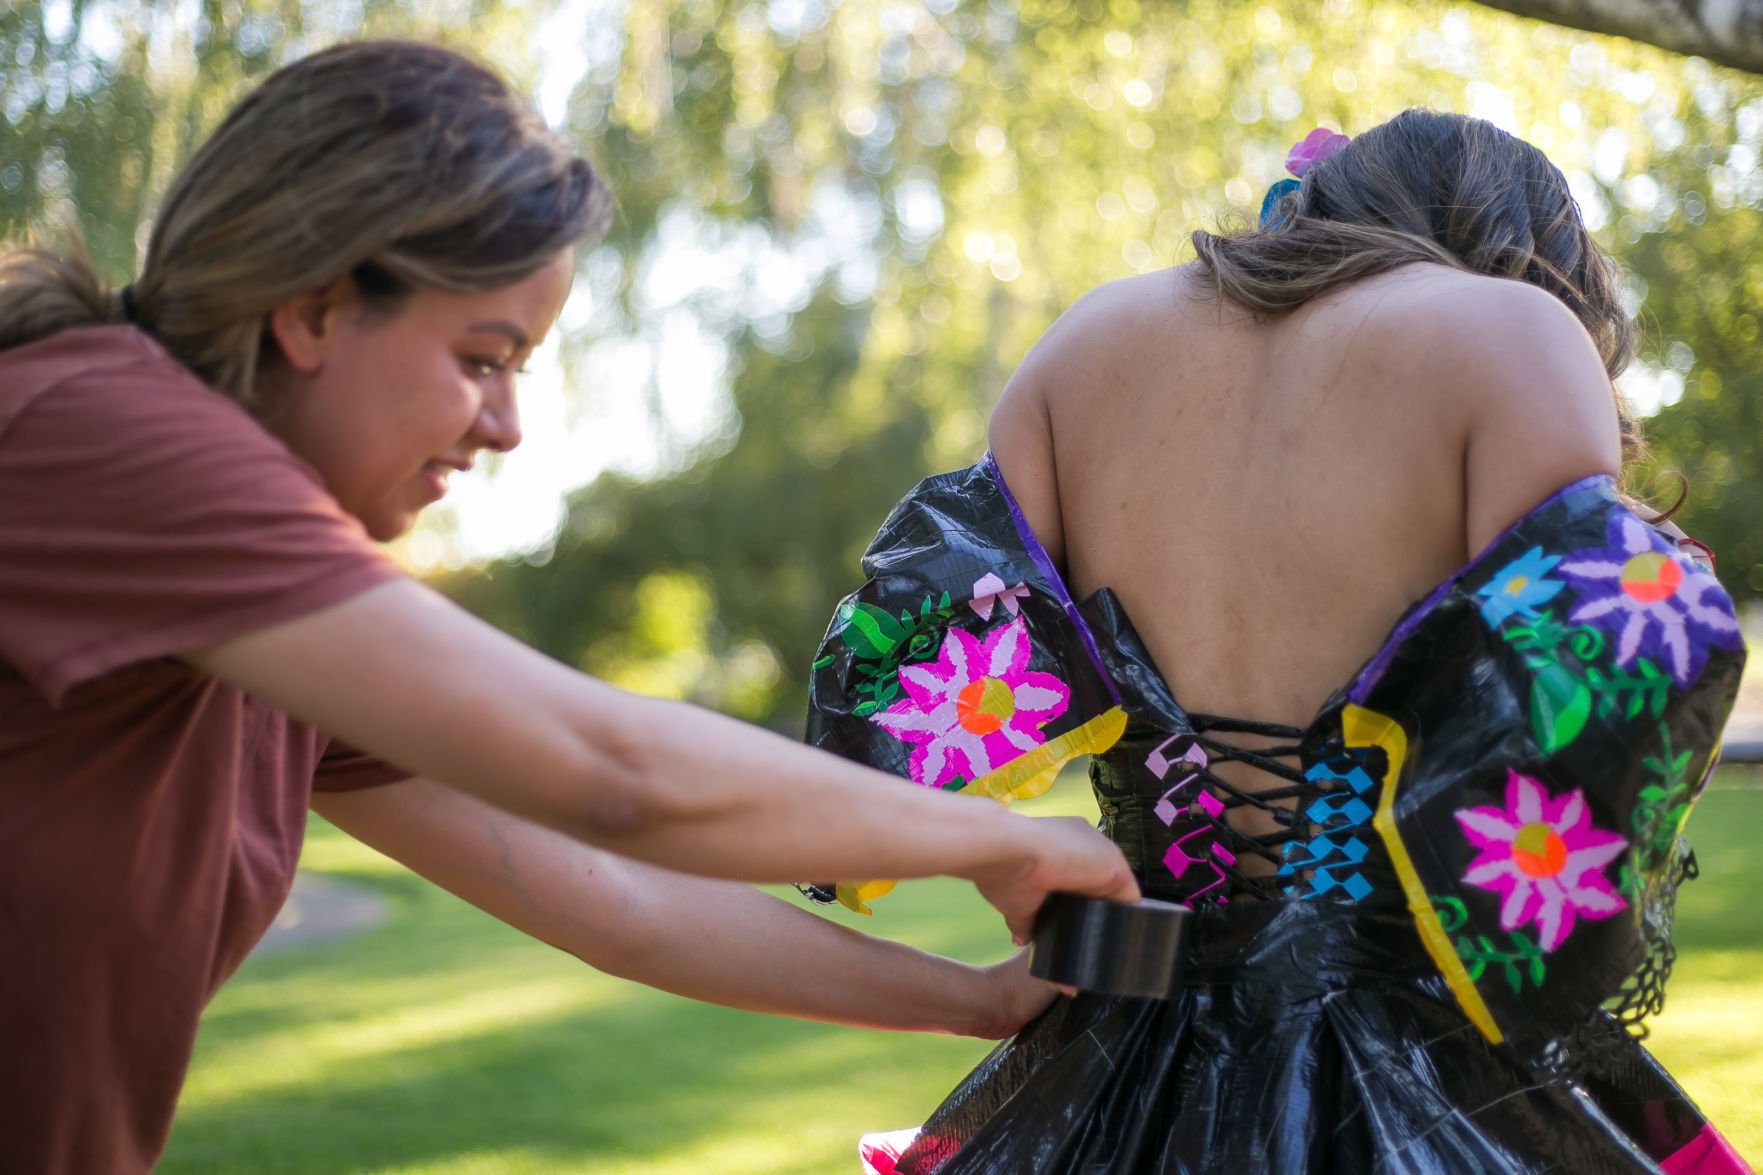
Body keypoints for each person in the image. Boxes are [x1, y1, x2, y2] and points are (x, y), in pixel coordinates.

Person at [0, 39, 1144, 1174]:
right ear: (313, 311)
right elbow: (609, 774)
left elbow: (618, 898)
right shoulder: (99, 437)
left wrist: (977, 999)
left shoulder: (274, 631)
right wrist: (985, 836)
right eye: (481, 357)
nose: (504, 428)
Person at [803, 112, 1751, 1172]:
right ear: (1526, 247)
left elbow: (916, 675)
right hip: (1426, 1084)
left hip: (1106, 1061)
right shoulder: (1516, 334)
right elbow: (1569, 732)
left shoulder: (1084, 345)